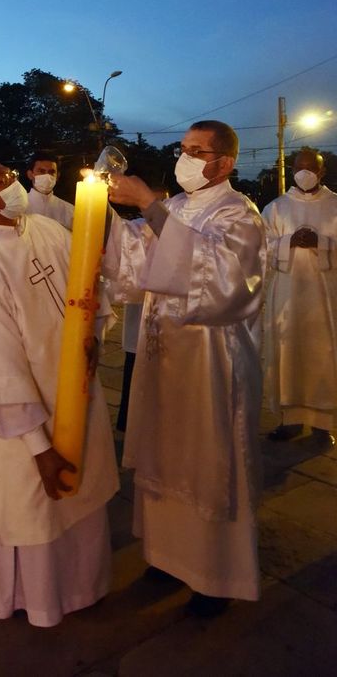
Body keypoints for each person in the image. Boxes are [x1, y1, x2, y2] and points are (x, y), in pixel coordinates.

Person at [104, 120, 266, 618]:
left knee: (205, 456)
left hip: (210, 360)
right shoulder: (174, 207)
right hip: (162, 354)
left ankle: (213, 574)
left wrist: (149, 208)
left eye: (198, 150)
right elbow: (130, 266)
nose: (187, 157)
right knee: (163, 448)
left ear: (225, 163)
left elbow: (224, 281)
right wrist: (106, 207)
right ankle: (166, 555)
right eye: (184, 148)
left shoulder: (240, 213)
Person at [0, 159, 119, 627]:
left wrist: (95, 341)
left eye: (9, 176)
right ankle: (38, 600)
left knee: (81, 500)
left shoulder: (45, 228)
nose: (11, 185)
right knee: (33, 512)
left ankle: (87, 586)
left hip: (76, 394)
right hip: (25, 421)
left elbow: (90, 289)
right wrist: (39, 448)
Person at [262, 149, 337, 443]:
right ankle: (290, 420)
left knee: (324, 353)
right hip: (287, 294)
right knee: (287, 353)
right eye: (298, 167)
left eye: (310, 168)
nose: (303, 172)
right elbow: (260, 246)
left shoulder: (334, 205)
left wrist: (323, 243)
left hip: (326, 296)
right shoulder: (277, 208)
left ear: (322, 171)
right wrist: (287, 241)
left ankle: (323, 424)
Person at [116, 185, 169, 432]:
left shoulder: (178, 230)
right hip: (141, 314)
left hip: (170, 320)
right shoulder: (139, 228)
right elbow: (121, 248)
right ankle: (129, 420)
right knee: (134, 368)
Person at [25, 151, 74, 230]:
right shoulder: (19, 207)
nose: (47, 176)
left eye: (51, 172)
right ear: (30, 174)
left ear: (57, 176)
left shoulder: (69, 211)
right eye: (41, 171)